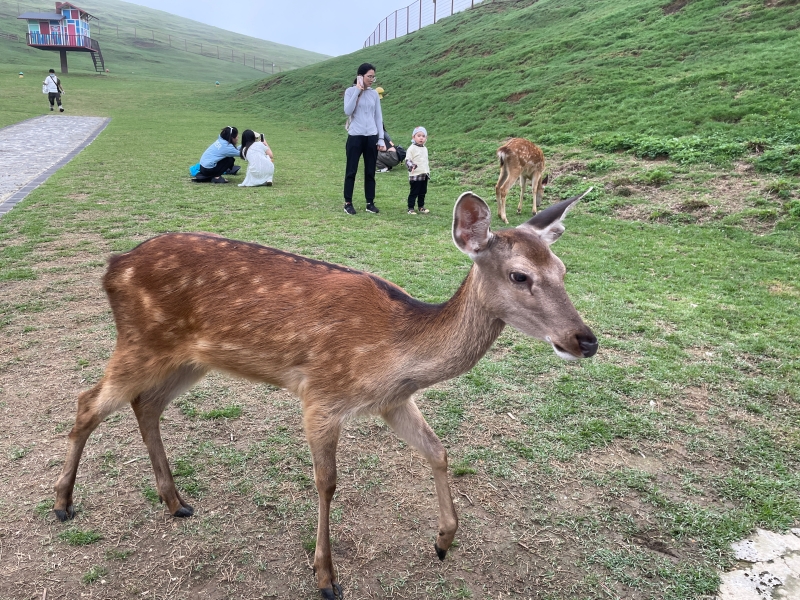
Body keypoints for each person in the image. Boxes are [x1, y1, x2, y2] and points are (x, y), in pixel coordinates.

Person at [343, 63, 385, 215]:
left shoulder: (374, 94)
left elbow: (378, 116)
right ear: (360, 76)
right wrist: (357, 91)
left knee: (370, 171)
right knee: (351, 170)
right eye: (369, 76)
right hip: (355, 136)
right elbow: (347, 110)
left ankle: (370, 202)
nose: (372, 79)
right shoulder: (350, 91)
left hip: (371, 136)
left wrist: (380, 138)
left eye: (374, 76)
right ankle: (348, 202)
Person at [405, 126, 431, 214]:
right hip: (415, 175)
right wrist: (411, 165)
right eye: (419, 135)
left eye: (423, 136)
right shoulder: (411, 148)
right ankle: (410, 208)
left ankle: (421, 207)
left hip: (424, 174)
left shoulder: (425, 148)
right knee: (414, 192)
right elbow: (408, 160)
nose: (421, 138)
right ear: (413, 137)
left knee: (423, 192)